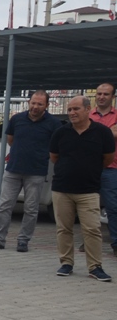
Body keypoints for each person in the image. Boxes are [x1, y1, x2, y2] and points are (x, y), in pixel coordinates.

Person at [0, 90, 56, 252]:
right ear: (29, 102)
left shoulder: (53, 123)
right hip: (13, 170)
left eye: (40, 104)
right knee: (4, 206)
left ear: (47, 106)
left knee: (31, 209)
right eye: (33, 103)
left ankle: (23, 241)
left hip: (36, 172)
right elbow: (11, 140)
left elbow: (55, 146)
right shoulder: (17, 119)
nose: (35, 107)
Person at [50, 95, 115, 281]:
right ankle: (66, 263)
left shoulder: (102, 132)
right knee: (64, 228)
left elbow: (108, 158)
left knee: (92, 229)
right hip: (62, 189)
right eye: (70, 109)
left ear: (88, 109)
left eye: (76, 109)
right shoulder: (61, 133)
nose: (71, 113)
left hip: (89, 190)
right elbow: (54, 156)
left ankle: (95, 267)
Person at [91, 82, 117, 257]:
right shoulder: (87, 114)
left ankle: (116, 243)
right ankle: (89, 242)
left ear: (112, 97)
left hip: (111, 168)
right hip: (88, 168)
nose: (101, 97)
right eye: (99, 94)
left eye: (106, 94)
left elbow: (90, 134)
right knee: (88, 207)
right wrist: (110, 132)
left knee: (113, 207)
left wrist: (95, 132)